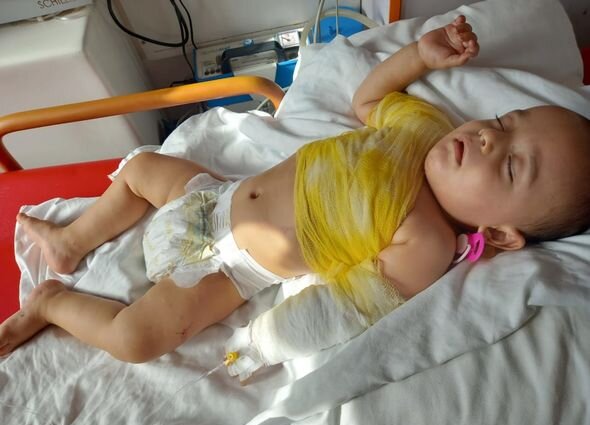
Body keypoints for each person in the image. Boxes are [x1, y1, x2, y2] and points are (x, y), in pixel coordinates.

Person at [2, 16, 590, 379]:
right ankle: (70, 241)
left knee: (135, 340)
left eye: (510, 164)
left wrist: (262, 344)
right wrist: (420, 55)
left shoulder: (427, 240)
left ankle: (51, 304)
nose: (488, 137)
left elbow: (347, 305)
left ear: (501, 233)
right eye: (504, 121)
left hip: (229, 271)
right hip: (211, 197)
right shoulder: (424, 129)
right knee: (140, 170)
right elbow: (367, 101)